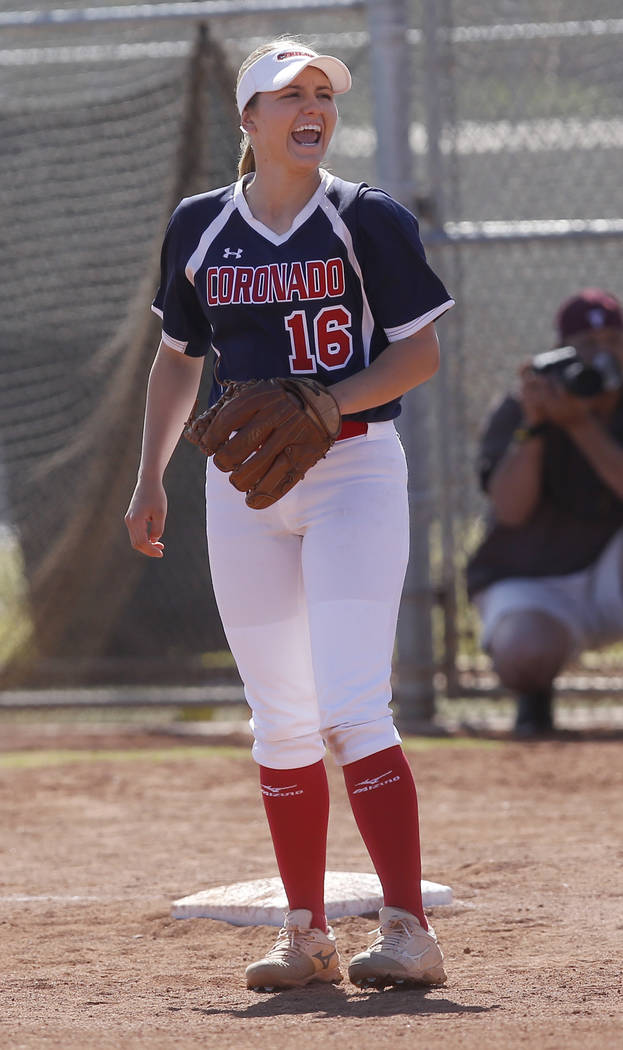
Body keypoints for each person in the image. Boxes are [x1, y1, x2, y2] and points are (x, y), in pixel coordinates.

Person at [125, 38, 454, 991]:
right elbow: (180, 356)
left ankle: (406, 930)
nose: (310, 107)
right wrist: (149, 477)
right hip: (242, 489)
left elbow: (417, 357)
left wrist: (327, 401)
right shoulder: (199, 225)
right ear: (248, 121)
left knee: (351, 704)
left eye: (323, 94)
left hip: (353, 473)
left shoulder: (365, 219)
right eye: (286, 95)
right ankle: (303, 934)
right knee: (278, 718)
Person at [467, 288, 623, 737]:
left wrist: (581, 425)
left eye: (614, 340)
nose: (602, 355)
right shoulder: (522, 408)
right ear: (562, 351)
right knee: (524, 654)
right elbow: (511, 511)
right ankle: (534, 699)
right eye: (587, 344)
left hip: (612, 573)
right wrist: (536, 426)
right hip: (536, 577)